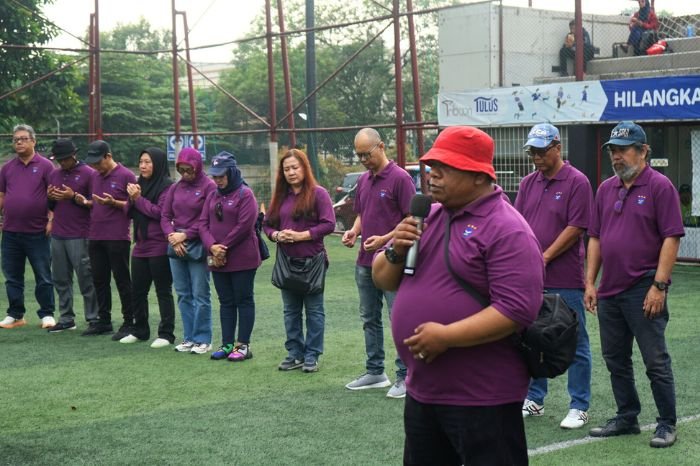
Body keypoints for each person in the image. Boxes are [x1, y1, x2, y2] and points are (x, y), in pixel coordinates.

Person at [373, 126, 544, 464]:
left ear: (479, 175)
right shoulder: (428, 216)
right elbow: (384, 280)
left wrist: (447, 337)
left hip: (483, 397)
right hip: (424, 390)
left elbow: (516, 310)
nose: (432, 175)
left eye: (444, 168)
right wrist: (396, 249)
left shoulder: (507, 228)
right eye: (431, 166)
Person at [585, 121, 684, 448]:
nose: (616, 156)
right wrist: (590, 282)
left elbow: (671, 238)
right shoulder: (605, 189)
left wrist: (660, 285)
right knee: (615, 358)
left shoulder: (660, 186)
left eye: (623, 149)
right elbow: (596, 238)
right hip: (610, 291)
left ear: (643, 151)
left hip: (644, 288)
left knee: (655, 360)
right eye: (612, 150)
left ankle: (667, 423)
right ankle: (627, 416)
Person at [515, 123, 594, 429]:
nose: (535, 157)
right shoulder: (527, 183)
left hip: (565, 276)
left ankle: (579, 405)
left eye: (541, 151)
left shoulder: (577, 181)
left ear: (558, 148)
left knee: (575, 341)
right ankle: (534, 398)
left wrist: (543, 257)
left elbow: (576, 227)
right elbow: (518, 224)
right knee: (531, 337)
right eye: (532, 151)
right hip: (532, 276)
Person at [341, 127, 416, 398]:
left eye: (367, 154)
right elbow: (362, 213)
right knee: (368, 317)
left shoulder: (401, 179)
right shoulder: (363, 180)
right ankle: (375, 372)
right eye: (359, 155)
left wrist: (384, 238)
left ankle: (405, 376)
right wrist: (354, 231)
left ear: (381, 147)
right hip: (365, 260)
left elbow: (412, 220)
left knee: (399, 318)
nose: (363, 159)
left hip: (393, 261)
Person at [263, 149, 335, 373]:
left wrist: (300, 236)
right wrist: (276, 235)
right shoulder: (280, 197)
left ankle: (312, 354)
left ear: (305, 168)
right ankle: (295, 353)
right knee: (290, 311)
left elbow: (328, 224)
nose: (291, 172)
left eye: (295, 167)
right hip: (286, 262)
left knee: (314, 310)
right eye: (286, 169)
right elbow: (267, 224)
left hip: (313, 262)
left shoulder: (319, 194)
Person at [199, 152, 261, 362]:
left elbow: (244, 226)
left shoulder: (245, 194)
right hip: (217, 258)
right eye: (214, 176)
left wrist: (222, 246)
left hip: (242, 257)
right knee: (225, 301)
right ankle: (227, 344)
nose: (217, 180)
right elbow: (202, 224)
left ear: (232, 172)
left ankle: (243, 345)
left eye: (221, 175)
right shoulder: (212, 195)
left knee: (243, 299)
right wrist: (212, 246)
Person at [74, 140, 137, 339]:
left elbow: (133, 205)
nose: (95, 167)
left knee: (122, 280)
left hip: (118, 237)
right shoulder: (94, 176)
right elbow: (97, 202)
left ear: (108, 156)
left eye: (98, 162)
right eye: (92, 164)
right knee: (99, 280)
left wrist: (113, 202)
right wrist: (86, 202)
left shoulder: (126, 175)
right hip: (96, 235)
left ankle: (129, 322)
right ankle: (104, 321)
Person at [0, 124, 56, 329]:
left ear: (34, 141)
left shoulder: (46, 166)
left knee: (43, 275)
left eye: (23, 138)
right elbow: (2, 195)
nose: (19, 142)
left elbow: (54, 195)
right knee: (12, 276)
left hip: (37, 231)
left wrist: (52, 219)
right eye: (16, 139)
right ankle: (16, 315)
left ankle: (47, 314)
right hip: (10, 232)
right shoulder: (7, 168)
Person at [161, 147, 216, 355]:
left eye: (189, 170)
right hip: (176, 245)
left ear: (197, 166)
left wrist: (186, 235)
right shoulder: (175, 188)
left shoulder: (208, 186)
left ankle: (203, 338)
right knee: (183, 294)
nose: (185, 174)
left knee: (201, 293)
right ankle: (189, 337)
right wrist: (173, 237)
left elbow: (206, 218)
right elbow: (165, 216)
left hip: (198, 245)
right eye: (181, 170)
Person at [119, 148, 176, 348]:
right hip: (141, 245)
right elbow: (127, 212)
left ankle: (166, 333)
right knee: (138, 290)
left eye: (148, 162)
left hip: (159, 245)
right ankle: (140, 330)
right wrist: (131, 198)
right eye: (141, 161)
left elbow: (160, 213)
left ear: (158, 164)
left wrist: (138, 199)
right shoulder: (138, 184)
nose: (143, 166)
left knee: (163, 290)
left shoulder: (167, 186)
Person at [45, 138, 99, 333]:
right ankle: (67, 318)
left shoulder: (89, 174)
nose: (61, 163)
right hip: (59, 233)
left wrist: (73, 197)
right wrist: (50, 198)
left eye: (64, 159)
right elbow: (52, 206)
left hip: (80, 233)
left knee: (85, 277)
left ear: (73, 155)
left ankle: (94, 318)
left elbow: (94, 203)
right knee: (60, 278)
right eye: (59, 159)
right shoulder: (54, 174)